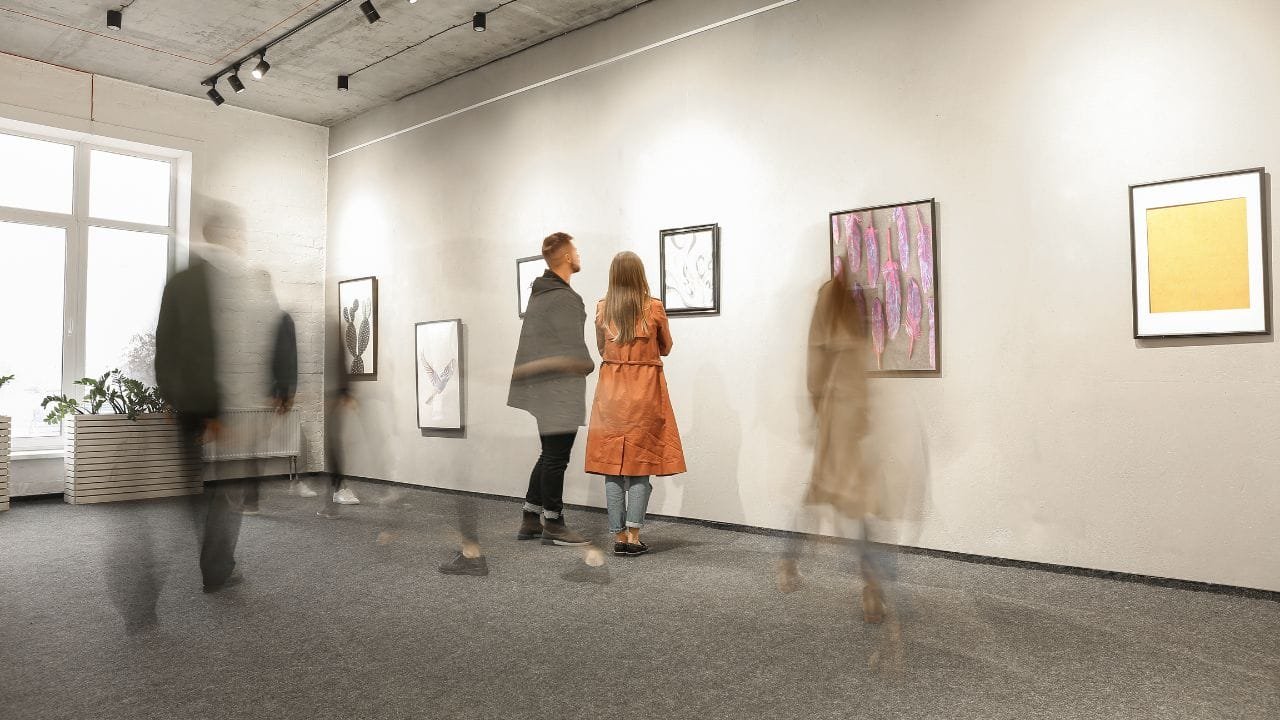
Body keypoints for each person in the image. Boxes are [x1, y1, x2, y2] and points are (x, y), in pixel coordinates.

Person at [155, 202, 291, 592]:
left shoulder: (180, 281)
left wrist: (170, 397)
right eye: (238, 234)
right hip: (226, 408)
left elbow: (166, 348)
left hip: (194, 406)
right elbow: (268, 337)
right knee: (226, 490)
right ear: (230, 236)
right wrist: (276, 388)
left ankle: (214, 561)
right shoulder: (246, 280)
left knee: (204, 488)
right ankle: (217, 567)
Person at [777, 270, 888, 623]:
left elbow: (827, 369)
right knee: (848, 500)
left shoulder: (841, 304)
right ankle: (870, 585)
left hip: (844, 419)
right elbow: (825, 371)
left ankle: (790, 561)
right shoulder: (842, 305)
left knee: (830, 496)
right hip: (842, 420)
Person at [584, 252, 686, 556]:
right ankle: (633, 536)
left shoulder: (603, 309)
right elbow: (665, 347)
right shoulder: (653, 307)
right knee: (641, 465)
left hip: (611, 393)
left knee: (612, 467)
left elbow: (602, 349)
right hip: (645, 392)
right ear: (639, 274)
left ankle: (617, 537)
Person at [507, 232, 595, 546]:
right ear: (567, 257)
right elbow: (572, 348)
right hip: (560, 389)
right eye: (576, 250)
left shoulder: (542, 294)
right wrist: (589, 364)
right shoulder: (565, 298)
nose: (579, 254)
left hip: (543, 389)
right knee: (557, 458)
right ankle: (554, 522)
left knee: (549, 454)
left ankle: (530, 518)